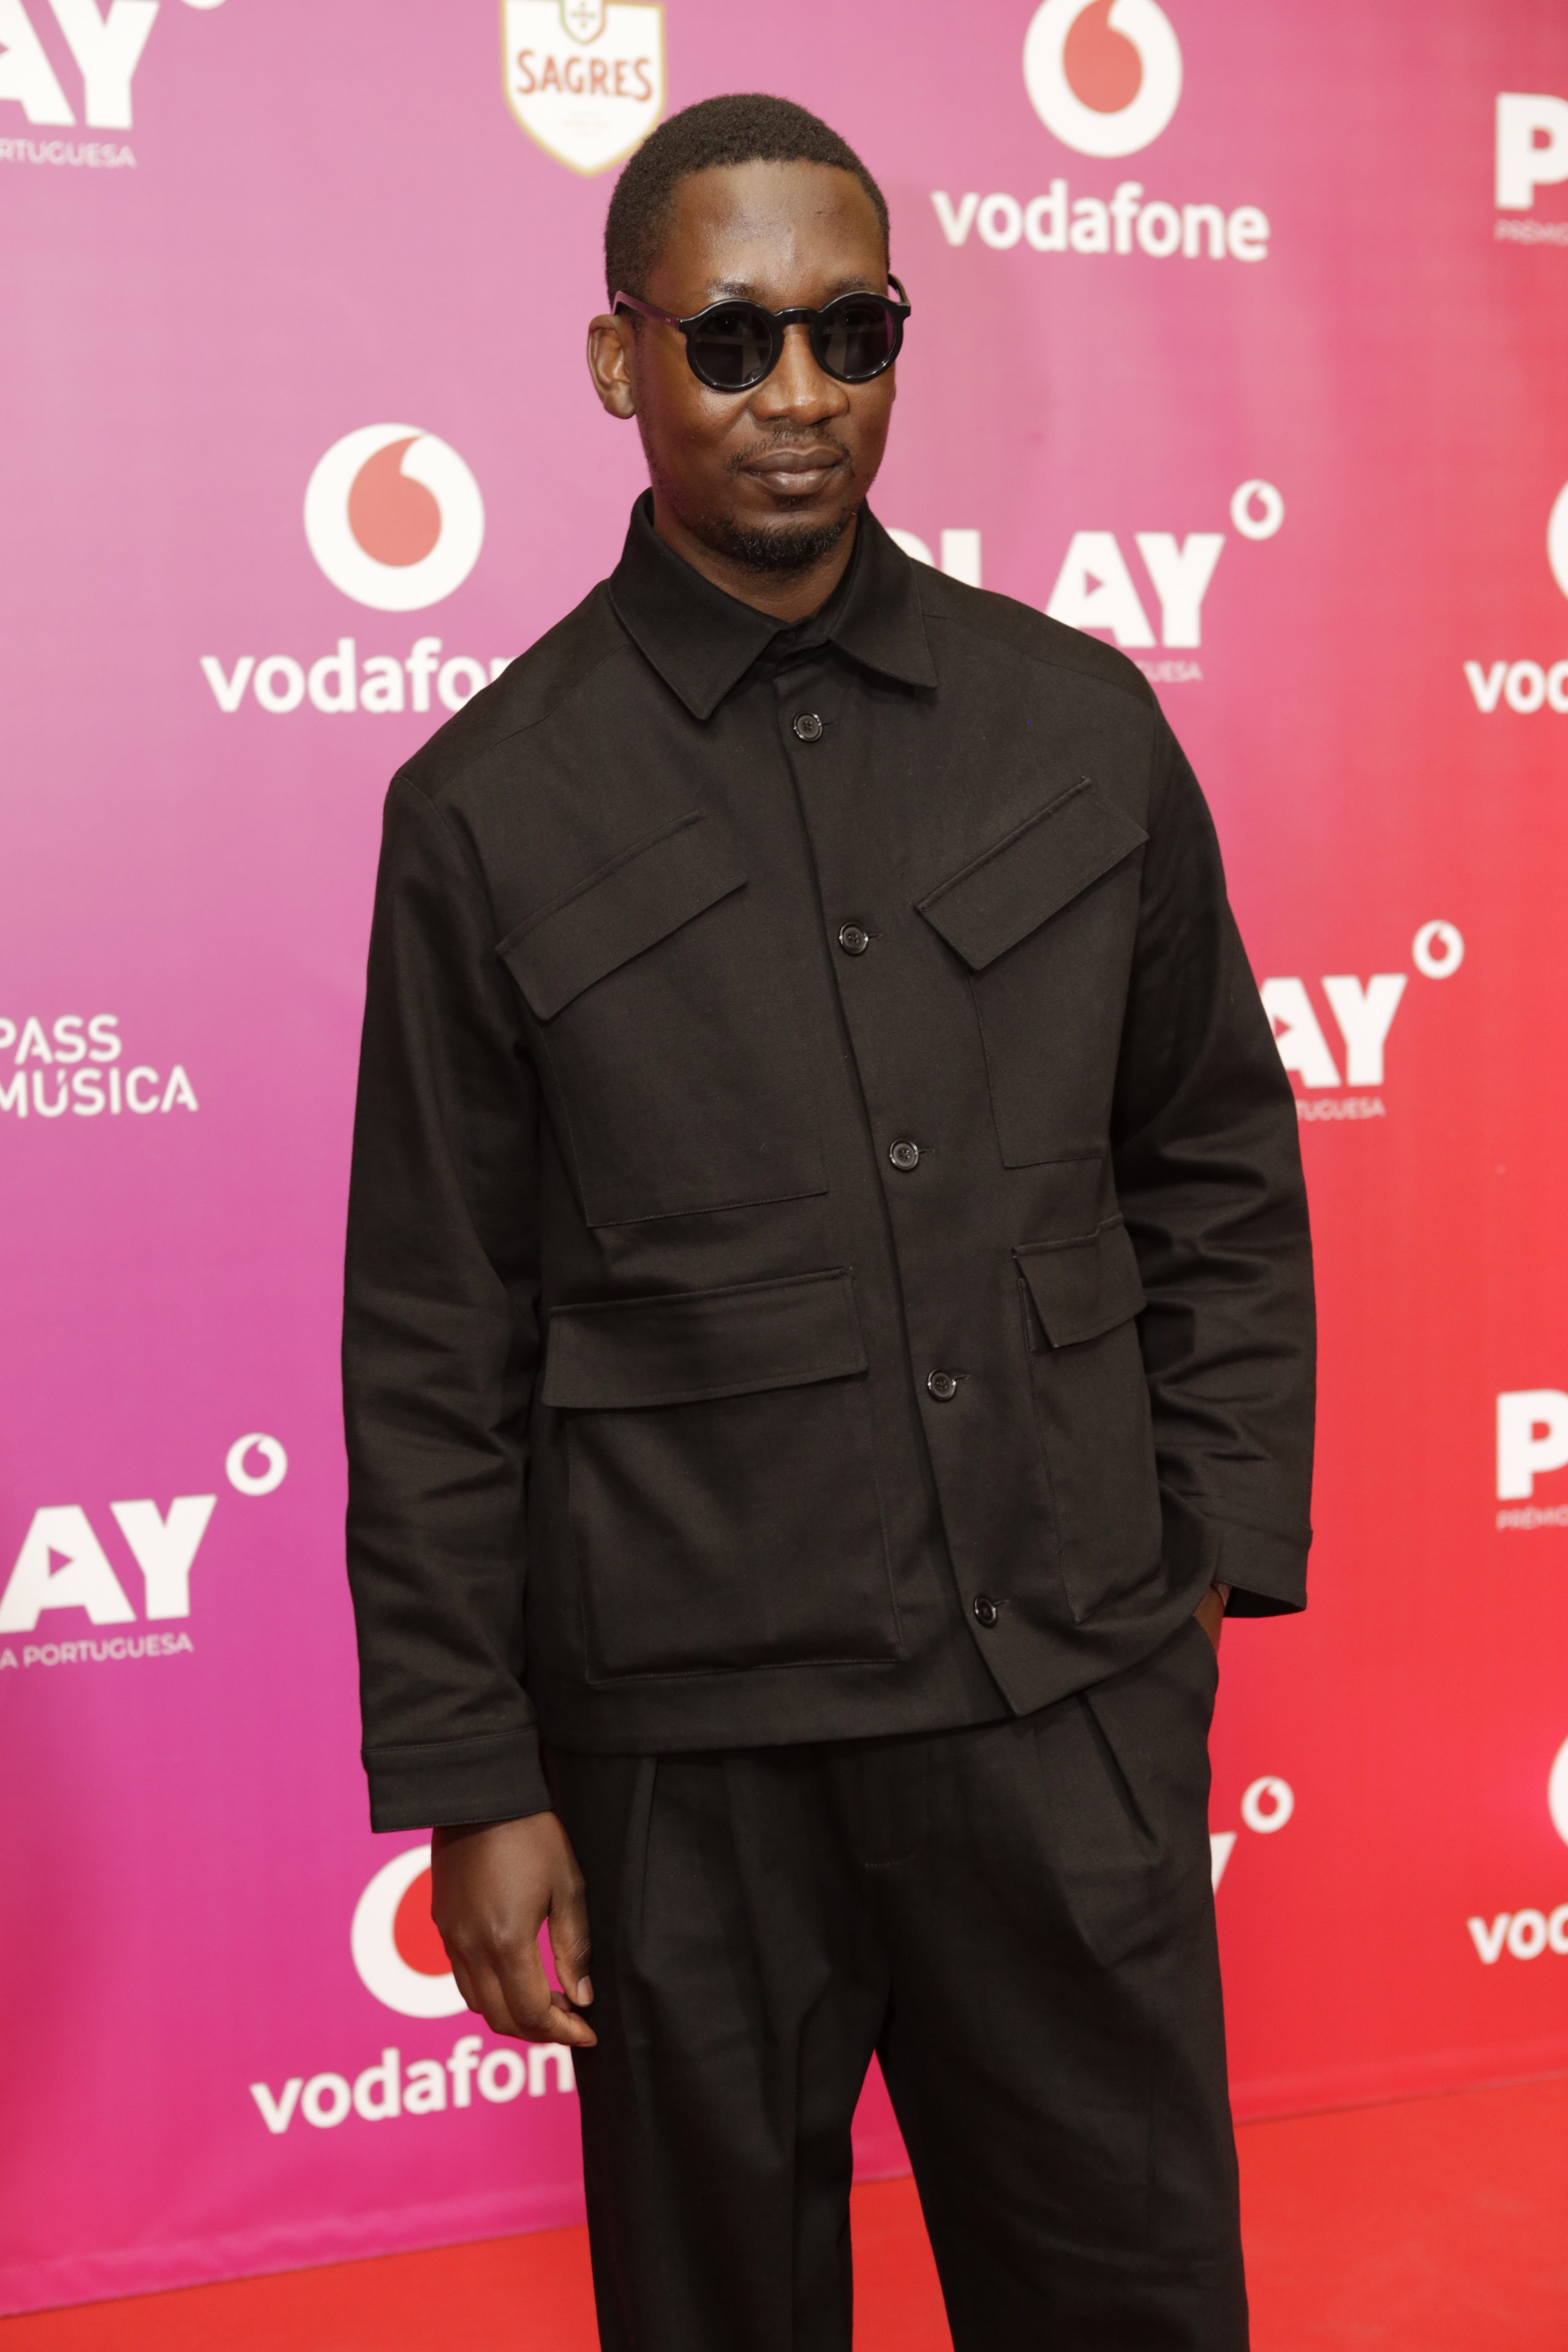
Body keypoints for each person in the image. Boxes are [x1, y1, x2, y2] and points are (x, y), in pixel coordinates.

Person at [343, 92, 1314, 2352]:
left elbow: (1215, 1167)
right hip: (684, 1769)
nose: (798, 393)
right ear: (622, 358)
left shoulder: (1078, 725)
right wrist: (474, 1779)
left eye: (849, 334)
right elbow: (435, 1327)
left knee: (1132, 2301)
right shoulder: (485, 808)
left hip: (1061, 1707)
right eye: (733, 338)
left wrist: (1189, 1572)